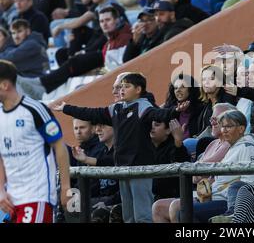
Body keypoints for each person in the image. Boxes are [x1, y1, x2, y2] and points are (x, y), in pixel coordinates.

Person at [53, 72, 189, 223]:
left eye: (127, 86)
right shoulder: (115, 108)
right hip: (122, 169)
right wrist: (67, 108)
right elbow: (91, 113)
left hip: (140, 169)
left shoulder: (143, 106)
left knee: (142, 216)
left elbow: (159, 114)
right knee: (128, 217)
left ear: (138, 89)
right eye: (121, 87)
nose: (122, 90)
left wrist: (175, 111)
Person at [0, 60, 70, 223]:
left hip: (37, 194)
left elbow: (59, 147)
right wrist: (1, 192)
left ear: (4, 85)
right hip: (11, 198)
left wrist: (65, 187)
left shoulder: (35, 110)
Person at [17, 6, 132, 100]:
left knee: (77, 61)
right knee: (65, 55)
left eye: (108, 20)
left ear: (117, 20)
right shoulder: (111, 36)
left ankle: (41, 83)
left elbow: (116, 63)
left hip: (111, 73)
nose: (104, 24)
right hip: (102, 66)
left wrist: (87, 58)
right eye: (101, 21)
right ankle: (42, 85)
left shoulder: (124, 36)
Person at [152, 103, 234, 223]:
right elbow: (194, 176)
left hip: (218, 195)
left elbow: (201, 168)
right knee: (158, 207)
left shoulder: (228, 143)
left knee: (176, 206)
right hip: (202, 193)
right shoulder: (212, 144)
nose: (212, 122)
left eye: (216, 119)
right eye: (211, 118)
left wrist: (199, 170)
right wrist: (199, 171)